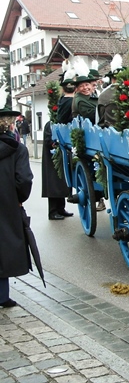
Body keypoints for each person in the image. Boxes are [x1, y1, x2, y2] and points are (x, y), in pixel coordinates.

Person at [0, 106, 34, 308]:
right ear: (11, 125)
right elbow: (24, 180)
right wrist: (18, 199)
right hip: (7, 202)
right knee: (3, 247)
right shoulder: (18, 149)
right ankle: (2, 296)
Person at [42, 121, 73, 220]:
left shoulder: (59, 123)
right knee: (53, 186)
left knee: (61, 185)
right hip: (52, 160)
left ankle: (61, 209)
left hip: (60, 158)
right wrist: (55, 143)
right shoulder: (49, 125)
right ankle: (52, 212)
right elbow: (48, 141)